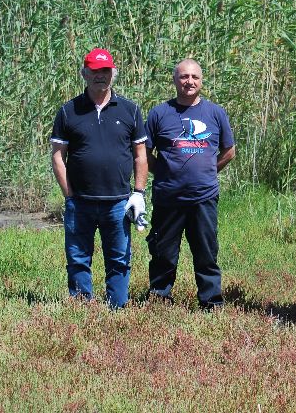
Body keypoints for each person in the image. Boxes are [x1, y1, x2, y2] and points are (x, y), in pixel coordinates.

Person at [50, 48, 148, 309]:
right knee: (78, 257)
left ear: (113, 73)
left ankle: (117, 309)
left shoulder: (130, 110)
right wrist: (68, 193)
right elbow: (58, 156)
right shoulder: (69, 111)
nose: (100, 76)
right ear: (84, 73)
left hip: (118, 202)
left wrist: (139, 192)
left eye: (105, 71)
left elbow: (141, 155)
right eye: (94, 70)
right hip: (79, 202)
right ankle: (83, 310)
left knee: (118, 259)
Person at [144, 59, 236, 309]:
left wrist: (208, 170)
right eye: (184, 77)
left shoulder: (215, 113)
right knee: (163, 253)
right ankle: (159, 300)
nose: (189, 81)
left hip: (203, 197)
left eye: (195, 77)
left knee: (206, 253)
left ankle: (211, 302)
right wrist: (163, 172)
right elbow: (144, 154)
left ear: (201, 80)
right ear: (175, 80)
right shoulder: (159, 113)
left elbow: (229, 151)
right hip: (168, 197)